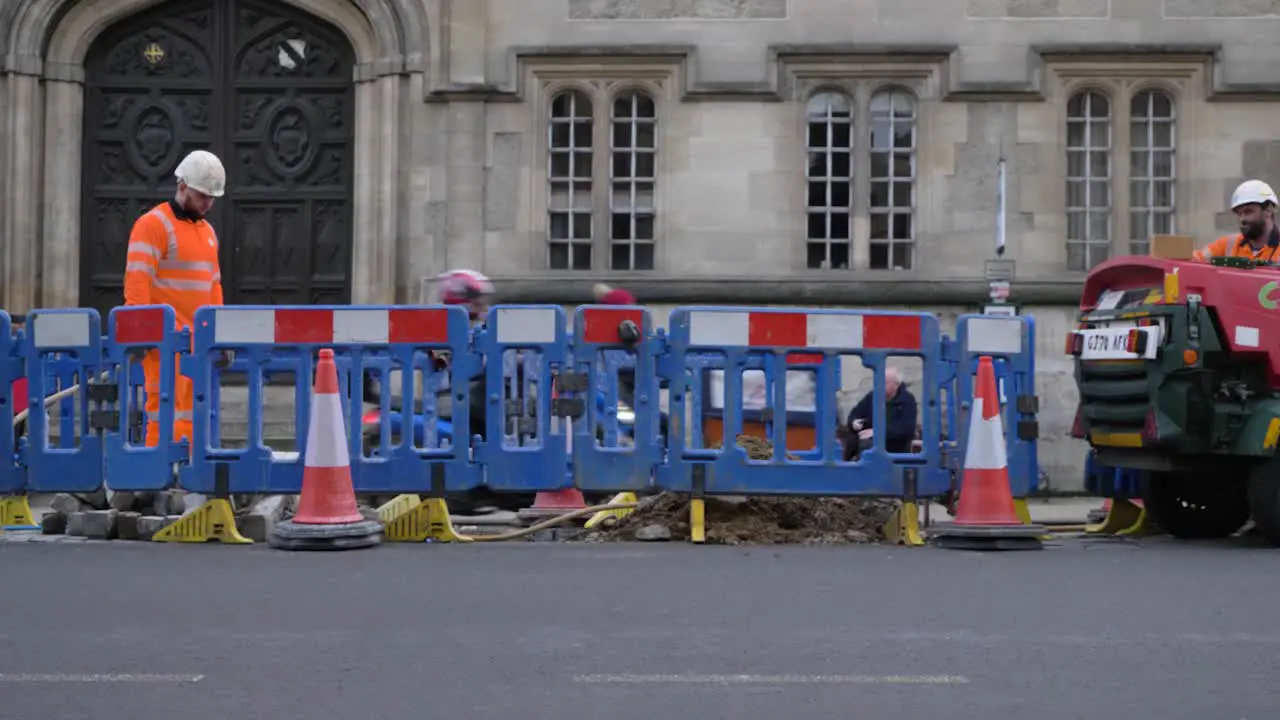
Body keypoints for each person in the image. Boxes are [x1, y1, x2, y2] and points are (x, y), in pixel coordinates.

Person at [123, 149, 227, 448]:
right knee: (162, 413)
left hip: (198, 344)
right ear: (182, 187)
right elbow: (138, 281)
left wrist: (220, 335)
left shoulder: (207, 232)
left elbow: (214, 287)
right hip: (164, 344)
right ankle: (160, 477)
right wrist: (139, 332)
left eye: (211, 198)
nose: (208, 204)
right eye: (202, 196)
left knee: (195, 413)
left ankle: (190, 475)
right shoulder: (153, 225)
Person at [839, 366, 918, 461]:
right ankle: (845, 468)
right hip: (869, 437)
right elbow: (855, 413)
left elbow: (906, 429)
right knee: (851, 439)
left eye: (884, 382)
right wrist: (854, 423)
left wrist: (877, 432)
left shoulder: (907, 400)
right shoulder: (872, 396)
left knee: (868, 445)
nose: (879, 385)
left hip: (894, 443)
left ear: (896, 384)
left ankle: (867, 472)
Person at [1191, 180, 1280, 262]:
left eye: (1248, 211)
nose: (1242, 219)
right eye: (1239, 214)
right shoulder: (1230, 244)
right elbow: (1194, 260)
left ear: (1268, 210)